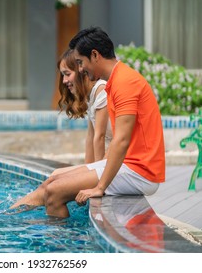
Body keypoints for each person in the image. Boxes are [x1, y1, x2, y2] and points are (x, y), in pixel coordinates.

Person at [10, 27, 165, 218]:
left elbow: (121, 140)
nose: (81, 69)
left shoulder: (125, 82)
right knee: (53, 181)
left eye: (80, 62)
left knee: (55, 191)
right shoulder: (115, 81)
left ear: (95, 55)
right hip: (128, 165)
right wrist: (89, 171)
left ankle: (61, 243)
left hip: (140, 172)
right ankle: (7, 218)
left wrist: (99, 187)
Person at [57, 48, 112, 163]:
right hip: (110, 161)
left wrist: (96, 173)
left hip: (121, 163)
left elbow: (100, 137)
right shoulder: (91, 95)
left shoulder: (101, 89)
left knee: (59, 180)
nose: (64, 81)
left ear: (81, 71)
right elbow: (90, 138)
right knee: (55, 176)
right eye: (63, 75)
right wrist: (86, 169)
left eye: (67, 74)